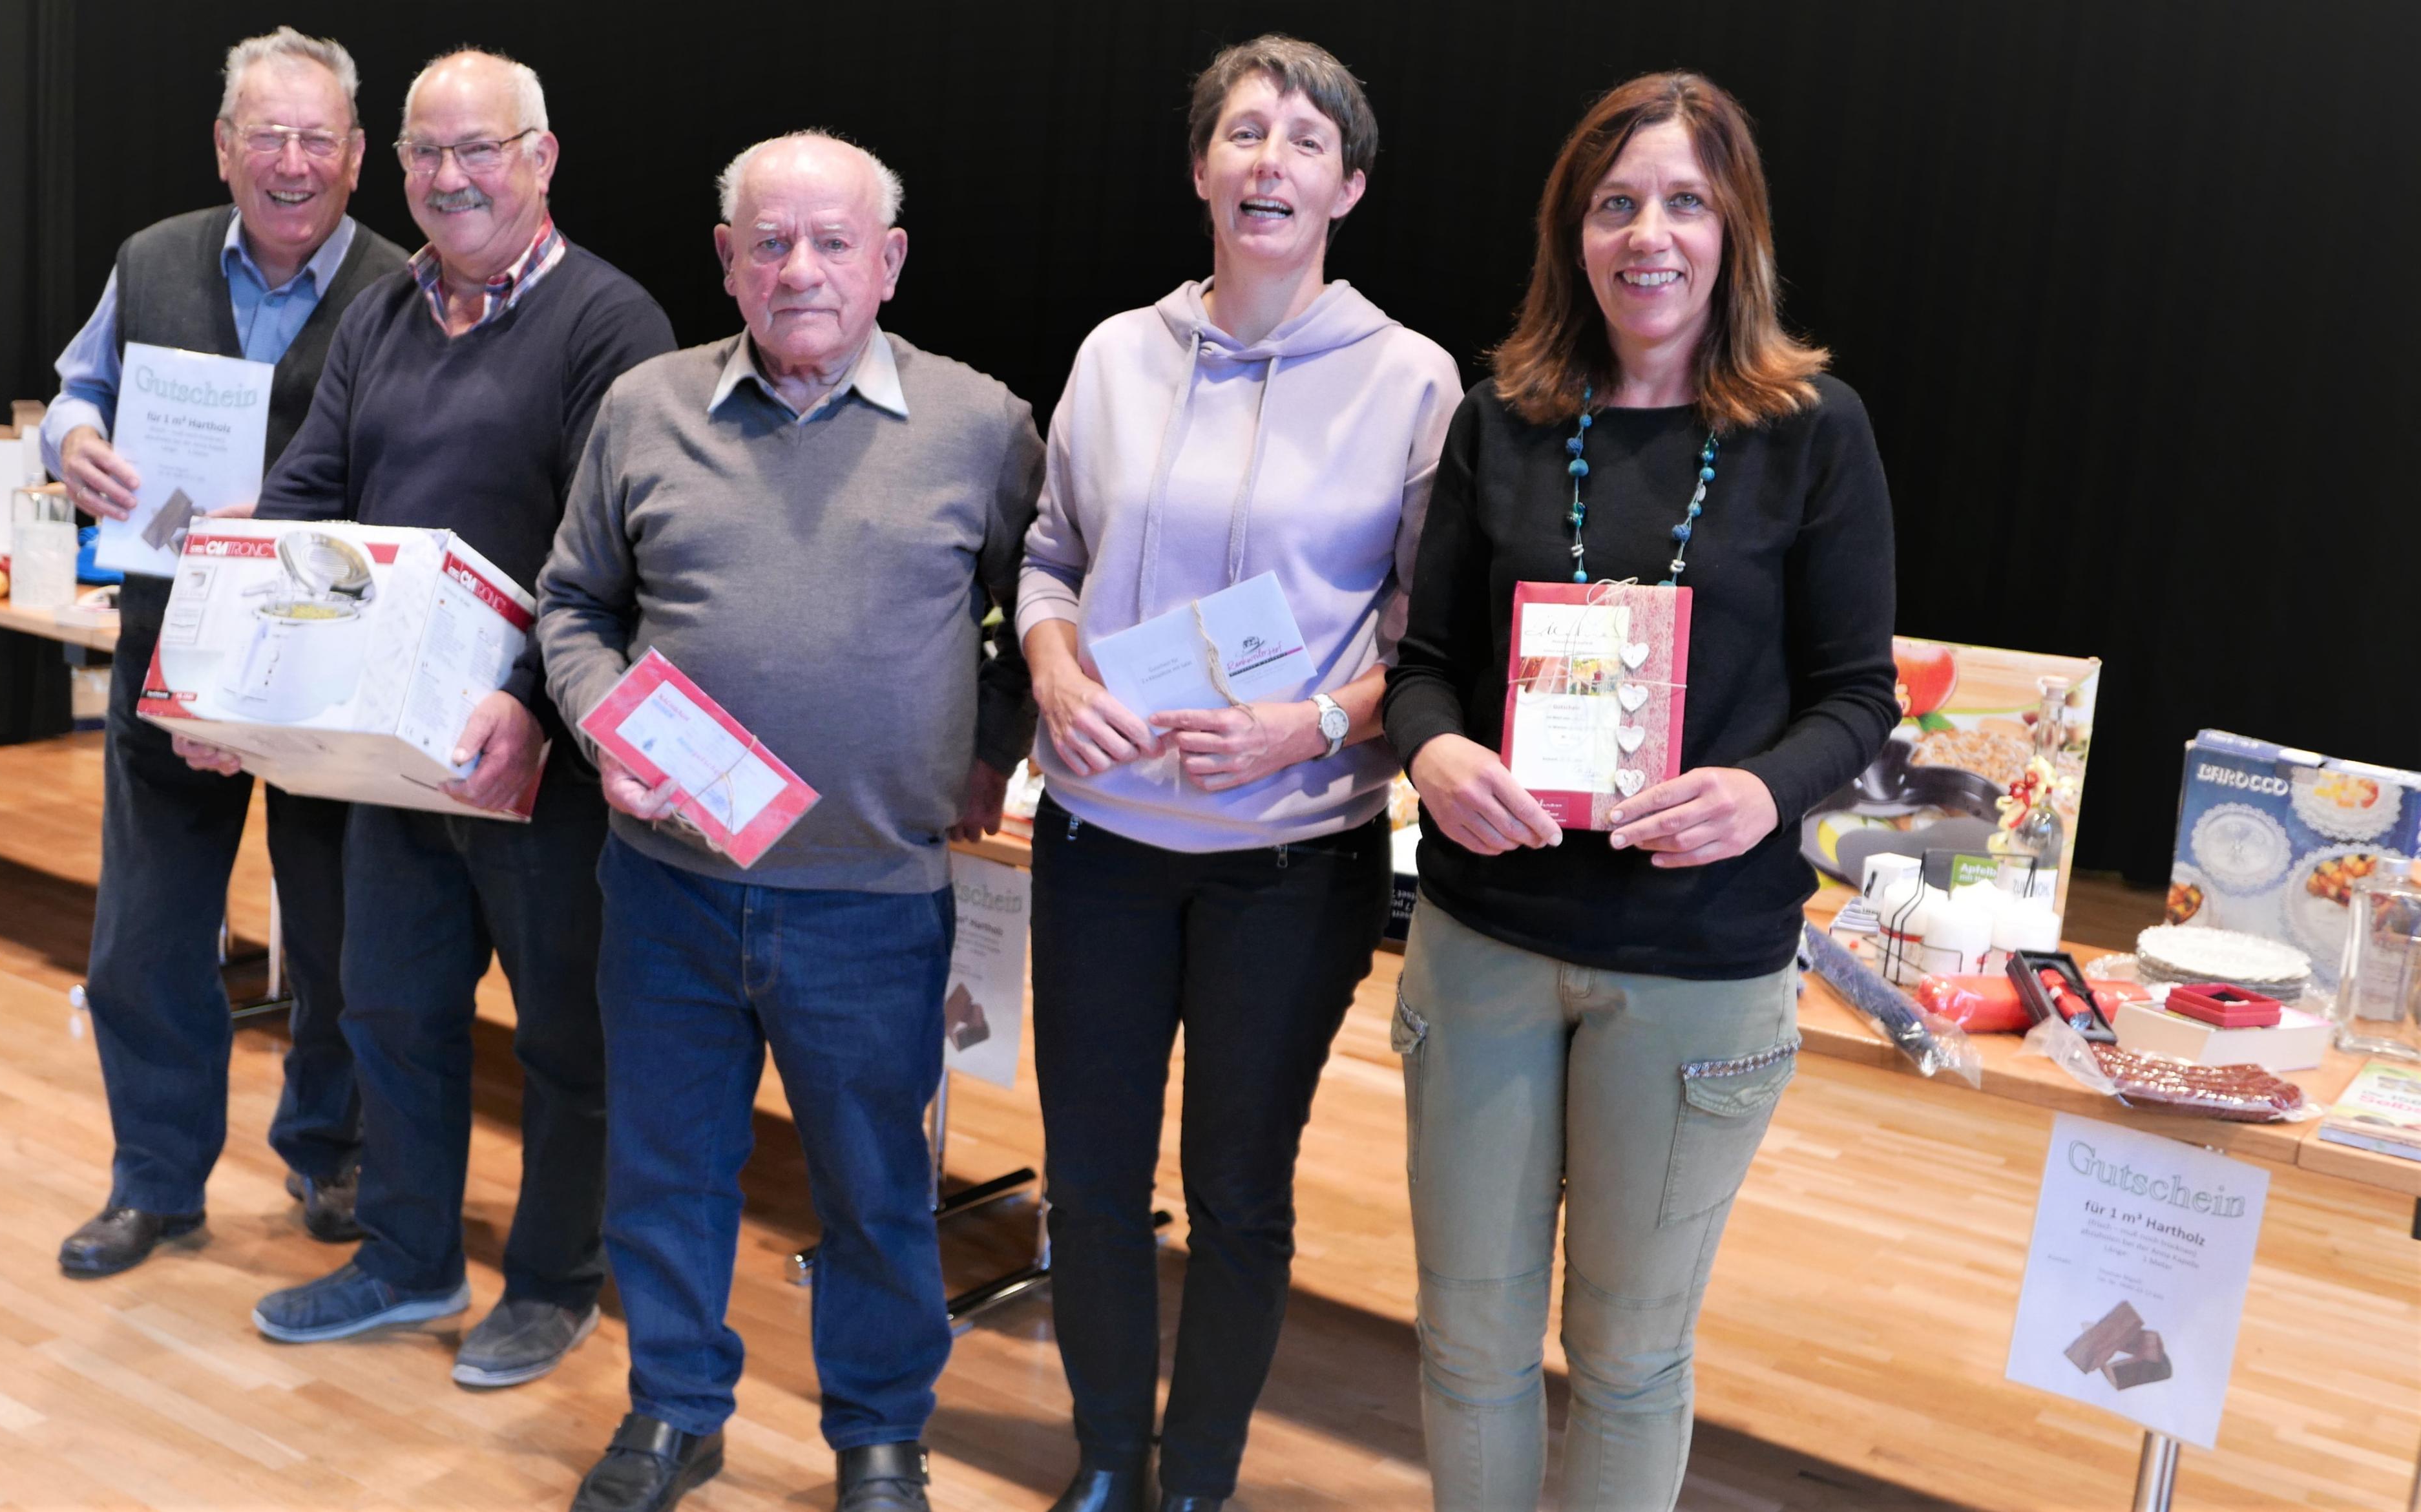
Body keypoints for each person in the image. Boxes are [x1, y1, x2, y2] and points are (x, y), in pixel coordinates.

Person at [1381, 72, 1900, 1512]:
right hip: (1484, 946)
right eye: (1615, 204)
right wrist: (1433, 753)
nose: (1647, 235)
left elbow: (1858, 694)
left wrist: (1760, 793)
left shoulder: (1814, 430)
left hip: (1695, 964)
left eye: (1683, 202)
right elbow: (1425, 669)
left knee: (1626, 1359)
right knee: (1469, 1344)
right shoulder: (1500, 421)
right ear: (1575, 233)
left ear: (1735, 230)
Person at [536, 131, 1040, 1512]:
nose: (799, 269)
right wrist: (598, 721)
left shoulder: (980, 424)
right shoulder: (645, 408)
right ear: (726, 261)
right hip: (667, 886)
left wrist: (991, 746)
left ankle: (879, 1437)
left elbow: (1037, 614)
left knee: (876, 1192)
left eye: (831, 242)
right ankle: (673, 1410)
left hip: (872, 900)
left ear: (889, 262)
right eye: (769, 243)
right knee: (664, 1173)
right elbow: (572, 603)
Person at [1012, 36, 1460, 1512]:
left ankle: (1196, 1477)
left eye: (1305, 139)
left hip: (1290, 858)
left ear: (1348, 186)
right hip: (1099, 841)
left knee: (1237, 1193)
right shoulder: (1111, 355)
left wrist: (1313, 725)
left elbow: (1433, 642)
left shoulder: (1411, 380)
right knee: (1088, 1178)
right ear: (1200, 168)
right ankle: (1104, 1461)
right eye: (1244, 132)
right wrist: (1053, 666)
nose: (1270, 160)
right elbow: (1048, 558)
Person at [241, 48, 676, 1391]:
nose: (450, 176)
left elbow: (616, 557)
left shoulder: (611, 324)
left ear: (542, 158)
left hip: (543, 764)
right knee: (389, 1010)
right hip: (394, 754)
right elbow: (306, 493)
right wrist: (236, 668)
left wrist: (533, 704)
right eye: (426, 152)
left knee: (565, 1040)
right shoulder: (381, 313)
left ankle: (554, 1281)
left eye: (478, 149)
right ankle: (408, 1256)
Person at [49, 25, 408, 1281]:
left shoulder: (406, 291)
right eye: (268, 135)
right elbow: (77, 389)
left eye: (318, 139)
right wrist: (72, 441)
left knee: (345, 942)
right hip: (172, 650)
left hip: (331, 668)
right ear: (223, 146)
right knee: (145, 938)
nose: (291, 162)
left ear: (356, 157)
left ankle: (333, 1154)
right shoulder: (150, 260)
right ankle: (153, 1182)